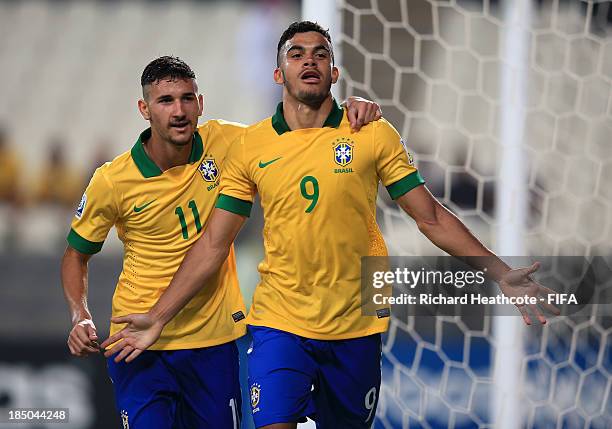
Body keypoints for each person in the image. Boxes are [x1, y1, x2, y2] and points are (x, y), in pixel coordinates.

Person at [101, 23, 559, 429]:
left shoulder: (372, 133)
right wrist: (158, 317)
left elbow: (431, 216)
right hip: (279, 319)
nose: (309, 61)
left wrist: (500, 273)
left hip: (358, 318)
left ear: (335, 73)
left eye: (321, 54)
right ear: (279, 74)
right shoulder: (251, 146)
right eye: (296, 55)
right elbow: (214, 244)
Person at [61, 55, 381, 429]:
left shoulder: (230, 142)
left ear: (200, 103)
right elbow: (75, 256)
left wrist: (349, 112)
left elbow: (296, 131)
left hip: (212, 341)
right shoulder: (112, 181)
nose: (178, 111)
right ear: (144, 109)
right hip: (137, 343)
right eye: (165, 101)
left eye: (186, 98)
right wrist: (80, 314)